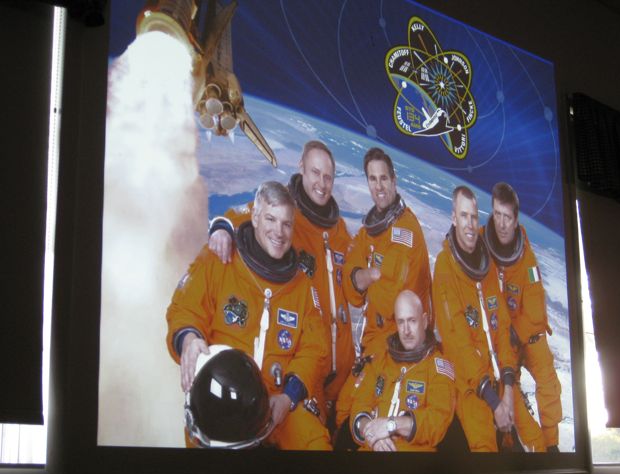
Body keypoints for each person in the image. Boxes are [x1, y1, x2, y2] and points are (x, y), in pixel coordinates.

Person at [166, 181, 332, 450]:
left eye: (286, 224)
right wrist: (189, 340)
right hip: (220, 400)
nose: (279, 232)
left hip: (275, 403)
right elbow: (185, 308)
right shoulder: (220, 259)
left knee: (316, 444)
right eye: (270, 219)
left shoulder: (302, 287)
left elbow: (315, 349)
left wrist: (289, 397)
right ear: (255, 217)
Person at [207, 140, 354, 429]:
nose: (322, 184)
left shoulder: (340, 231)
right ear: (301, 168)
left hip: (337, 377)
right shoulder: (285, 214)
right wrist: (221, 228)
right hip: (301, 365)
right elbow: (246, 217)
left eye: (328, 177)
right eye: (315, 173)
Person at [432, 185, 546, 452]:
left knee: (536, 443)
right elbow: (459, 346)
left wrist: (508, 387)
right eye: (464, 216)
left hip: (500, 379)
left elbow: (502, 328)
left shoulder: (487, 267)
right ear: (454, 218)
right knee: (485, 450)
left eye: (474, 217)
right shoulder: (445, 268)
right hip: (470, 385)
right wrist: (495, 402)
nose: (470, 224)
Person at [335, 146, 432, 435]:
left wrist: (363, 279)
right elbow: (350, 288)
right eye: (372, 179)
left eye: (384, 178)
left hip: (395, 339)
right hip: (375, 338)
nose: (379, 186)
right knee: (342, 407)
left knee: (349, 409)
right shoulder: (369, 231)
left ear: (394, 180)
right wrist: (364, 277)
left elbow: (390, 302)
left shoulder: (405, 232)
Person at [483, 182, 562, 451]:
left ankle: (551, 443)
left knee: (546, 374)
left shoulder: (527, 262)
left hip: (522, 334)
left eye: (507, 217)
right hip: (499, 339)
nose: (501, 223)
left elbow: (536, 313)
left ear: (516, 220)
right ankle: (521, 442)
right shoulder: (481, 245)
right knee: (509, 389)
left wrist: (515, 334)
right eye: (497, 214)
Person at [350, 290, 455, 452]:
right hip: (372, 448)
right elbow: (359, 406)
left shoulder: (438, 367)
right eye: (401, 322)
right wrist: (373, 437)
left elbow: (437, 422)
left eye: (412, 321)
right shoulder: (380, 360)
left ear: (424, 321)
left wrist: (391, 425)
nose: (406, 331)